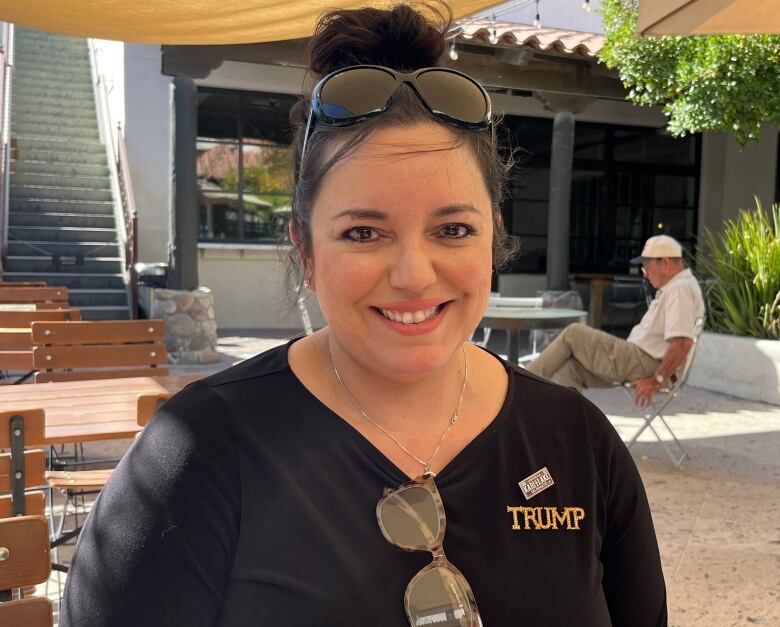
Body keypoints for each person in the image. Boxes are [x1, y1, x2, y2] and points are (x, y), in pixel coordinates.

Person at [60, 4, 667, 626]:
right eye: (363, 233)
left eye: (453, 228)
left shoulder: (578, 442)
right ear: (306, 249)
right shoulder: (197, 456)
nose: (413, 274)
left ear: (494, 242)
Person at [526, 234, 705, 406]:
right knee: (571, 369)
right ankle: (567, 431)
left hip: (645, 363)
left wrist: (656, 380)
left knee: (574, 333)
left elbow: (682, 342)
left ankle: (523, 385)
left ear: (665, 263)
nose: (645, 273)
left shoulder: (679, 289)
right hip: (639, 361)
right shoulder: (679, 286)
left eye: (647, 266)